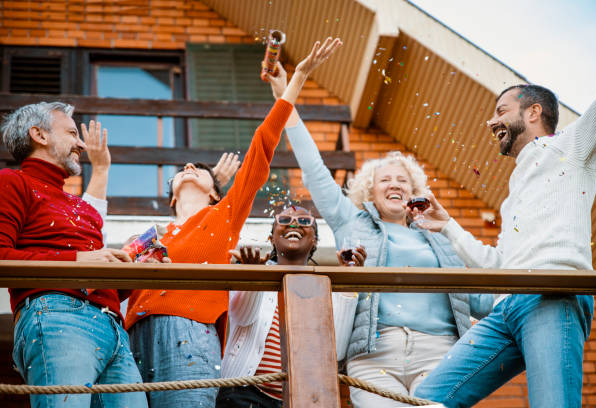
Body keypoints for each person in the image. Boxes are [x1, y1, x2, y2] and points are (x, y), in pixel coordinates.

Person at [123, 37, 343, 408]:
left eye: (201, 170)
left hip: (188, 336)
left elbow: (261, 146)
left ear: (215, 192)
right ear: (172, 195)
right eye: (182, 170)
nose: (189, 167)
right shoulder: (151, 236)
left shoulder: (222, 216)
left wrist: (297, 79)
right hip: (135, 336)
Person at [268, 64, 494, 407]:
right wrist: (287, 96)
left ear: (412, 191)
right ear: (369, 191)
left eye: (402, 180)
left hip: (438, 351)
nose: (394, 184)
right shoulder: (352, 221)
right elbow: (314, 169)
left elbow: (479, 298)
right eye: (385, 179)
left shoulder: (438, 235)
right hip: (374, 355)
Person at [413, 84, 596, 407]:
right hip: (505, 308)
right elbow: (498, 266)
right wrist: (448, 226)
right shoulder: (514, 194)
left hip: (551, 294)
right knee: (428, 398)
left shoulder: (571, 145)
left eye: (501, 110)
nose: (491, 121)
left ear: (533, 112)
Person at [0, 103, 147, 407]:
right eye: (71, 132)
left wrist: (138, 270)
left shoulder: (84, 209)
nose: (80, 143)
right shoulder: (12, 182)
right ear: (38, 134)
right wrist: (79, 260)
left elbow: (104, 287)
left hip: (114, 329)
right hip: (56, 315)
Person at [216, 206, 365, 408]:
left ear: (315, 241)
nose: (294, 224)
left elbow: (335, 350)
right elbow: (242, 317)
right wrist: (253, 278)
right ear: (271, 239)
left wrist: (349, 281)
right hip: (244, 393)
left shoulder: (324, 287)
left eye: (304, 221)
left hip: (304, 398)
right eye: (284, 219)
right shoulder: (254, 268)